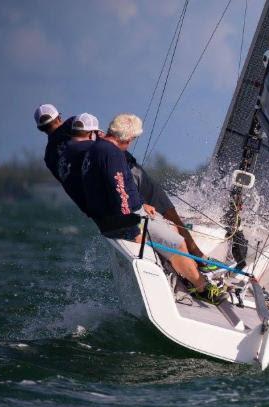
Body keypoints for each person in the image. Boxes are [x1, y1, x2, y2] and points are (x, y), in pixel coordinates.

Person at [35, 104, 209, 266]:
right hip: (120, 173)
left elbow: (70, 184)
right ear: (59, 117)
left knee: (139, 225)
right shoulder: (75, 124)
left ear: (40, 129)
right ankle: (195, 254)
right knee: (162, 204)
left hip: (98, 202)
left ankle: (164, 262)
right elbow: (105, 141)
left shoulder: (50, 157)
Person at [81, 113, 223, 304]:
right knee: (176, 243)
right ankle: (200, 287)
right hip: (129, 214)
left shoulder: (99, 147)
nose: (131, 143)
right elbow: (117, 189)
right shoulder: (110, 154)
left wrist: (140, 202)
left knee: (172, 228)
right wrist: (136, 213)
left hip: (129, 203)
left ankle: (189, 268)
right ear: (125, 138)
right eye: (131, 139)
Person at [54, 113, 100, 216]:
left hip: (90, 210)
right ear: (91, 133)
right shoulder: (91, 148)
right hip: (105, 209)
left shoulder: (64, 153)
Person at [34, 104, 75, 181]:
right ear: (59, 118)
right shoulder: (73, 123)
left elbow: (64, 181)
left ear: (40, 129)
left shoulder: (48, 156)